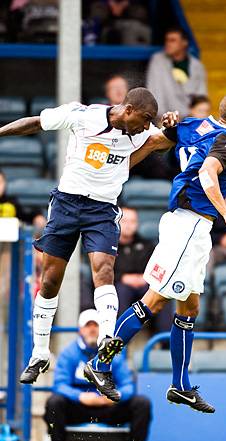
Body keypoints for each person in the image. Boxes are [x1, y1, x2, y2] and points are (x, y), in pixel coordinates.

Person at [0, 87, 178, 398]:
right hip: (67, 204)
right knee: (50, 279)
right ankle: (40, 354)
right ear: (129, 110)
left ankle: (105, 345)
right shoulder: (82, 116)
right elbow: (36, 122)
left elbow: (165, 139)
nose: (146, 125)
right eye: (145, 119)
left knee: (103, 270)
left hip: (102, 210)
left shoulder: (142, 131)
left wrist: (174, 127)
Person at [87, 92, 226, 414]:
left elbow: (153, 142)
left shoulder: (192, 124)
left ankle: (180, 385)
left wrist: (115, 170)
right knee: (156, 299)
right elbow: (208, 174)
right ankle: (100, 363)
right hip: (189, 225)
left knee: (190, 304)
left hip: (191, 227)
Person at [44, 309, 151, 441]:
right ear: (81, 329)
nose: (92, 329)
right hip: (79, 407)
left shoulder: (114, 354)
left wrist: (115, 396)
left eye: (96, 325)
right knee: (54, 402)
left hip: (108, 407)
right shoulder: (69, 354)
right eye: (88, 325)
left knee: (142, 403)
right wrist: (80, 397)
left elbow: (128, 385)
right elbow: (60, 385)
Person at [115, 206, 173, 332]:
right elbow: (102, 271)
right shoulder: (109, 246)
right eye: (125, 221)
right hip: (120, 285)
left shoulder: (147, 245)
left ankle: (165, 339)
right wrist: (122, 278)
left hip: (145, 283)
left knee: (161, 293)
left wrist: (146, 278)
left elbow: (158, 267)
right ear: (117, 221)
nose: (128, 225)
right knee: (121, 292)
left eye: (132, 221)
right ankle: (119, 337)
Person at [147, 27, 207, 119]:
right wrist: (162, 117)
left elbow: (201, 96)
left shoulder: (197, 65)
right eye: (167, 40)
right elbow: (155, 91)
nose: (168, 43)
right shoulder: (158, 60)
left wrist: (194, 118)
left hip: (190, 119)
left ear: (184, 43)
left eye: (173, 40)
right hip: (164, 118)